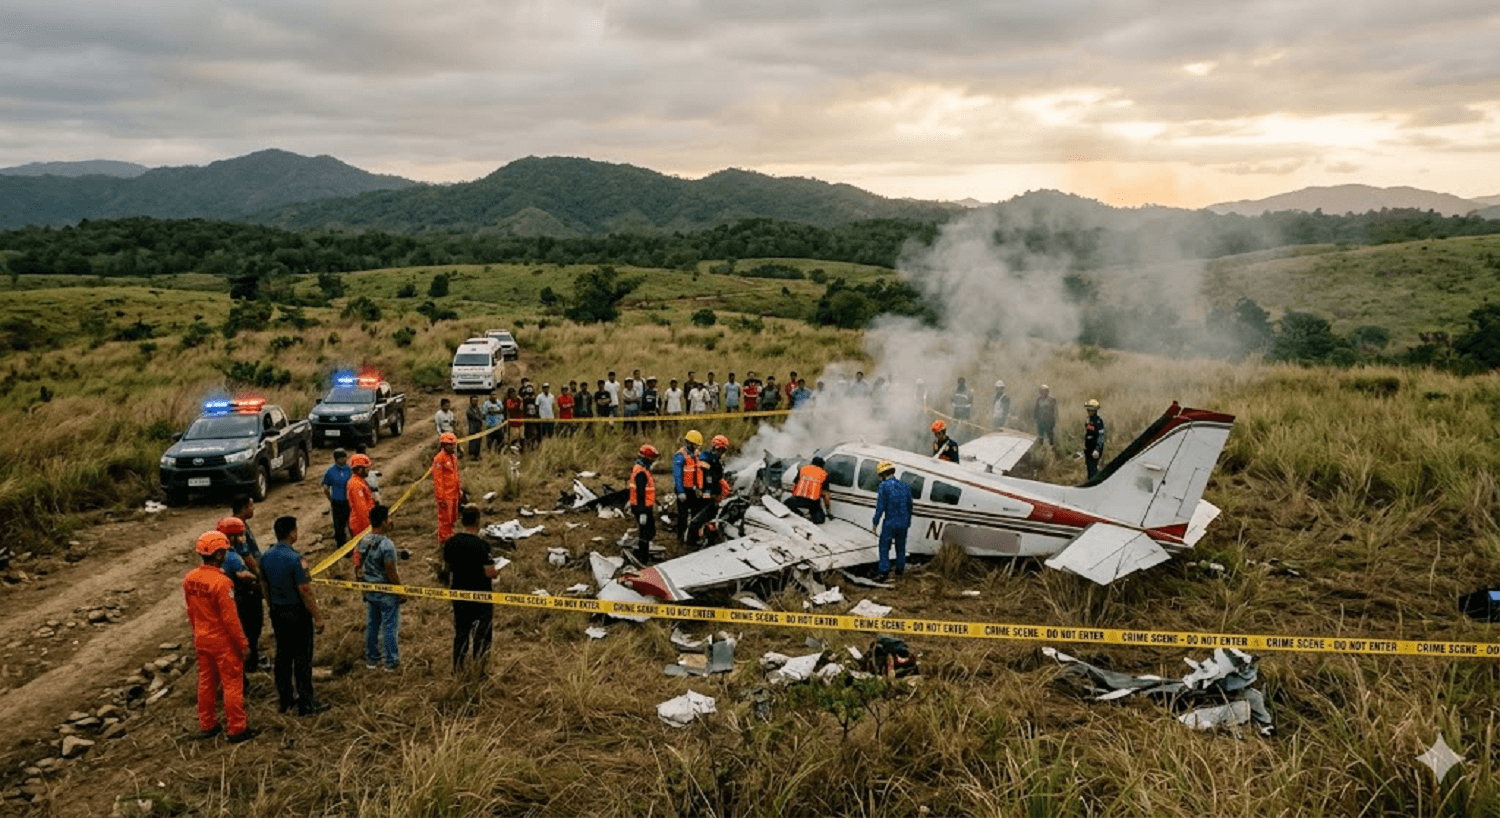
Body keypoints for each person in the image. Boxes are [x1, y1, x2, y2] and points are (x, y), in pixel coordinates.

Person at [184, 530, 253, 742]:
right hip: (222, 641)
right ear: (219, 554)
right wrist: (243, 644)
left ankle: (208, 723)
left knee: (206, 683)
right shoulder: (221, 583)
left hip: (202, 638)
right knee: (232, 683)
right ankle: (237, 728)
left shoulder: (190, 579)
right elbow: (230, 619)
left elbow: (190, 611)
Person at [261, 516, 327, 716]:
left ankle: (285, 700)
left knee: (282, 656)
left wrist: (272, 606)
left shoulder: (265, 557)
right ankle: (307, 703)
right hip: (297, 613)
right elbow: (304, 590)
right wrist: (317, 616)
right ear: (292, 532)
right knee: (302, 658)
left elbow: (264, 586)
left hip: (278, 612)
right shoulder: (296, 559)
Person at [443, 505, 499, 670]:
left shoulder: (451, 543)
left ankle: (458, 666)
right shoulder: (482, 545)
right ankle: (479, 669)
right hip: (481, 596)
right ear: (477, 521)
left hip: (459, 594)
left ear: (462, 521)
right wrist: (496, 571)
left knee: (461, 632)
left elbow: (446, 569)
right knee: (482, 634)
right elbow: (489, 572)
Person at [214, 517, 263, 680]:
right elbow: (244, 575)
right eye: (239, 535)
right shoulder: (231, 556)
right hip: (242, 598)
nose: (243, 538)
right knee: (251, 630)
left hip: (227, 599)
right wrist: (258, 582)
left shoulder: (217, 552)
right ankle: (249, 665)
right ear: (230, 536)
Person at [357, 504, 402, 671]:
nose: (390, 522)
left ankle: (372, 659)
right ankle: (390, 662)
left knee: (372, 625)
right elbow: (391, 571)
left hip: (370, 589)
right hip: (386, 591)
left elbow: (359, 566)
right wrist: (400, 592)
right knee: (389, 626)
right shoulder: (387, 545)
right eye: (388, 519)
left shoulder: (364, 540)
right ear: (383, 522)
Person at [227, 497, 265, 673]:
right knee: (251, 625)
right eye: (251, 505)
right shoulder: (234, 550)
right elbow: (248, 559)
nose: (254, 509)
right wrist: (260, 578)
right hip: (245, 592)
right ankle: (250, 663)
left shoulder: (233, 530)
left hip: (241, 591)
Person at [871, 461, 913, 581]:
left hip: (890, 522)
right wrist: (908, 521)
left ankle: (884, 572)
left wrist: (875, 523)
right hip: (904, 522)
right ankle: (900, 570)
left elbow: (880, 507)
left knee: (884, 546)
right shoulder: (905, 486)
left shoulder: (884, 486)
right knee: (901, 547)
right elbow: (910, 506)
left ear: (883, 474)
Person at [689, 434, 730, 546]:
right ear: (719, 448)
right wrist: (709, 493)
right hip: (706, 493)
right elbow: (708, 478)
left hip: (708, 492)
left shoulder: (710, 458)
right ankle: (694, 540)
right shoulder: (708, 460)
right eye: (723, 450)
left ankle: (701, 537)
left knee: (705, 516)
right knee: (703, 516)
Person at [672, 430, 704, 547]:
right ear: (690, 443)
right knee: (683, 516)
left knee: (696, 515)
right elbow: (677, 475)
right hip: (684, 490)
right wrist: (680, 491)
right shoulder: (680, 456)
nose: (697, 447)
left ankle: (693, 538)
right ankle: (681, 538)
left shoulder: (696, 454)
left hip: (693, 490)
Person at [630, 445, 659, 565]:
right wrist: (642, 512)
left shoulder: (643, 470)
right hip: (642, 507)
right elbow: (640, 493)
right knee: (646, 533)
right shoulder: (641, 473)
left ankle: (639, 552)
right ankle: (643, 559)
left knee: (648, 532)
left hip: (645, 506)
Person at [347, 453, 376, 570]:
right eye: (366, 468)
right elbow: (361, 509)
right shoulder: (356, 485)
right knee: (362, 549)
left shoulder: (359, 481)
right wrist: (369, 526)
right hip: (361, 523)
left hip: (363, 522)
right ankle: (360, 570)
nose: (368, 471)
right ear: (359, 469)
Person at [433, 432, 462, 545]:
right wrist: (441, 499)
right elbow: (438, 481)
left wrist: (459, 490)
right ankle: (444, 541)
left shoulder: (453, 457)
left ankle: (450, 535)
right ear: (444, 445)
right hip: (445, 495)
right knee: (445, 520)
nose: (454, 446)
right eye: (451, 445)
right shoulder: (439, 459)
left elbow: (456, 475)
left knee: (453, 518)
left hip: (454, 493)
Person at [321, 449, 352, 549]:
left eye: (345, 457)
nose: (344, 459)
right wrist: (331, 499)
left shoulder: (348, 469)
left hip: (348, 501)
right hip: (338, 502)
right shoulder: (330, 471)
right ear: (337, 459)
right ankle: (341, 546)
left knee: (350, 523)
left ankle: (352, 544)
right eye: (342, 458)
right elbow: (325, 487)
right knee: (339, 526)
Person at [787, 456, 830, 524]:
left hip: (799, 499)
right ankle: (813, 517)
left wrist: (792, 496)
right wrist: (828, 509)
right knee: (820, 519)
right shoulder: (824, 474)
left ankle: (800, 514)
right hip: (812, 502)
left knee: (787, 503)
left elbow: (795, 483)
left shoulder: (803, 469)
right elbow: (826, 494)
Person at [1083, 398, 1107, 480]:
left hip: (1095, 449)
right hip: (1088, 449)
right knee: (1089, 467)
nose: (1088, 411)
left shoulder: (1098, 422)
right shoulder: (1088, 420)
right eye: (1088, 409)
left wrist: (1097, 449)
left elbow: (1100, 436)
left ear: (1094, 410)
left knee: (1094, 469)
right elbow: (1087, 433)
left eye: (1090, 409)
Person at [465, 395, 484, 460]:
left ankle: (477, 455)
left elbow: (482, 416)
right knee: (473, 443)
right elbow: (476, 417)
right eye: (473, 401)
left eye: (476, 401)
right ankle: (472, 456)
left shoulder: (478, 409)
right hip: (472, 428)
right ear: (470, 401)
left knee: (478, 442)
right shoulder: (469, 410)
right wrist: (480, 418)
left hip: (479, 428)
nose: (475, 402)